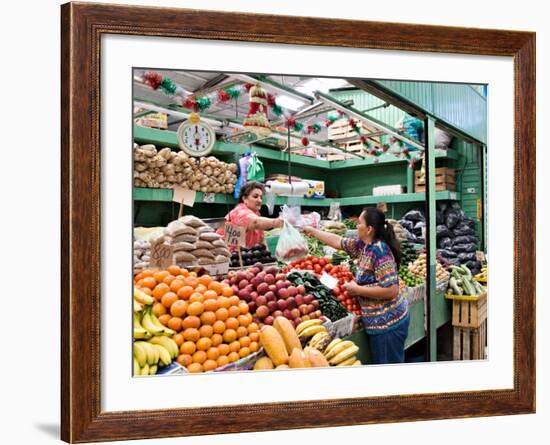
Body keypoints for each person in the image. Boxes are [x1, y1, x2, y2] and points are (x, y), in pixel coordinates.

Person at [302, 207, 409, 364]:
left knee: (387, 375)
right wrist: (313, 231)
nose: (356, 226)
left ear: (369, 229)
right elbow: (338, 241)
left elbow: (392, 290)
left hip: (388, 324)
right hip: (377, 322)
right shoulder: (363, 245)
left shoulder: (380, 251)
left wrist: (357, 289)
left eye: (359, 223)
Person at [217, 181, 283, 249]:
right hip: (226, 256)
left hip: (245, 257)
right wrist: (276, 222)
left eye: (261, 197)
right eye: (255, 196)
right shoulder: (240, 212)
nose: (259, 200)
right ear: (244, 198)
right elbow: (255, 222)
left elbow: (262, 240)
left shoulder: (256, 214)